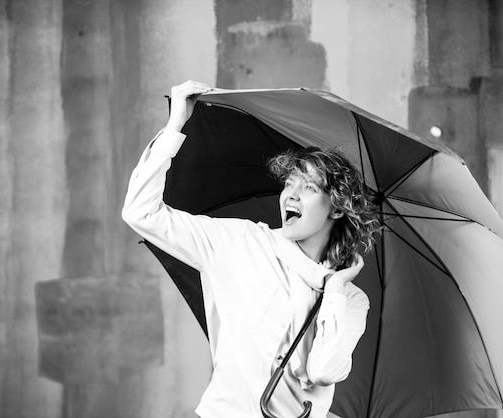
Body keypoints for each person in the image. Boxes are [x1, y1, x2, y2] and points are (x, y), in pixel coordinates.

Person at [122, 80, 381, 417]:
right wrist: (175, 126)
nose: (290, 195)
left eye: (308, 187)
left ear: (336, 207)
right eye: (289, 184)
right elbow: (140, 212)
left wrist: (332, 291)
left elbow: (322, 372)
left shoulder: (350, 300)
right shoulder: (241, 242)